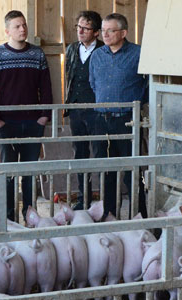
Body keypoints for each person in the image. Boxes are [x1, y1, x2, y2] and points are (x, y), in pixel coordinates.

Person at [0, 10, 53, 221]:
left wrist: (44, 116)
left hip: (33, 122)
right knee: (8, 172)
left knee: (30, 171)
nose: (23, 29)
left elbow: (46, 87)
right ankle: (8, 217)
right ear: (7, 31)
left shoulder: (37, 54)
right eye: (17, 26)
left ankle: (30, 215)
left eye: (24, 25)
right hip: (6, 123)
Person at [89, 13, 148, 219]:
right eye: (103, 30)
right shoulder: (97, 55)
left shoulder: (138, 54)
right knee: (106, 170)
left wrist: (137, 103)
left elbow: (147, 85)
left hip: (128, 120)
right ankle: (110, 215)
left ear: (123, 33)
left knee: (133, 172)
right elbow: (93, 83)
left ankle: (140, 216)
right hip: (102, 120)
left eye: (110, 30)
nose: (104, 34)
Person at [65, 11, 103, 210]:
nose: (80, 31)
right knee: (79, 153)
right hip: (76, 108)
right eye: (78, 27)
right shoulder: (71, 49)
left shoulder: (104, 51)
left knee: (99, 153)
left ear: (96, 32)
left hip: (97, 110)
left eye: (85, 28)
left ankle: (104, 197)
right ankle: (83, 197)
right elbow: (69, 77)